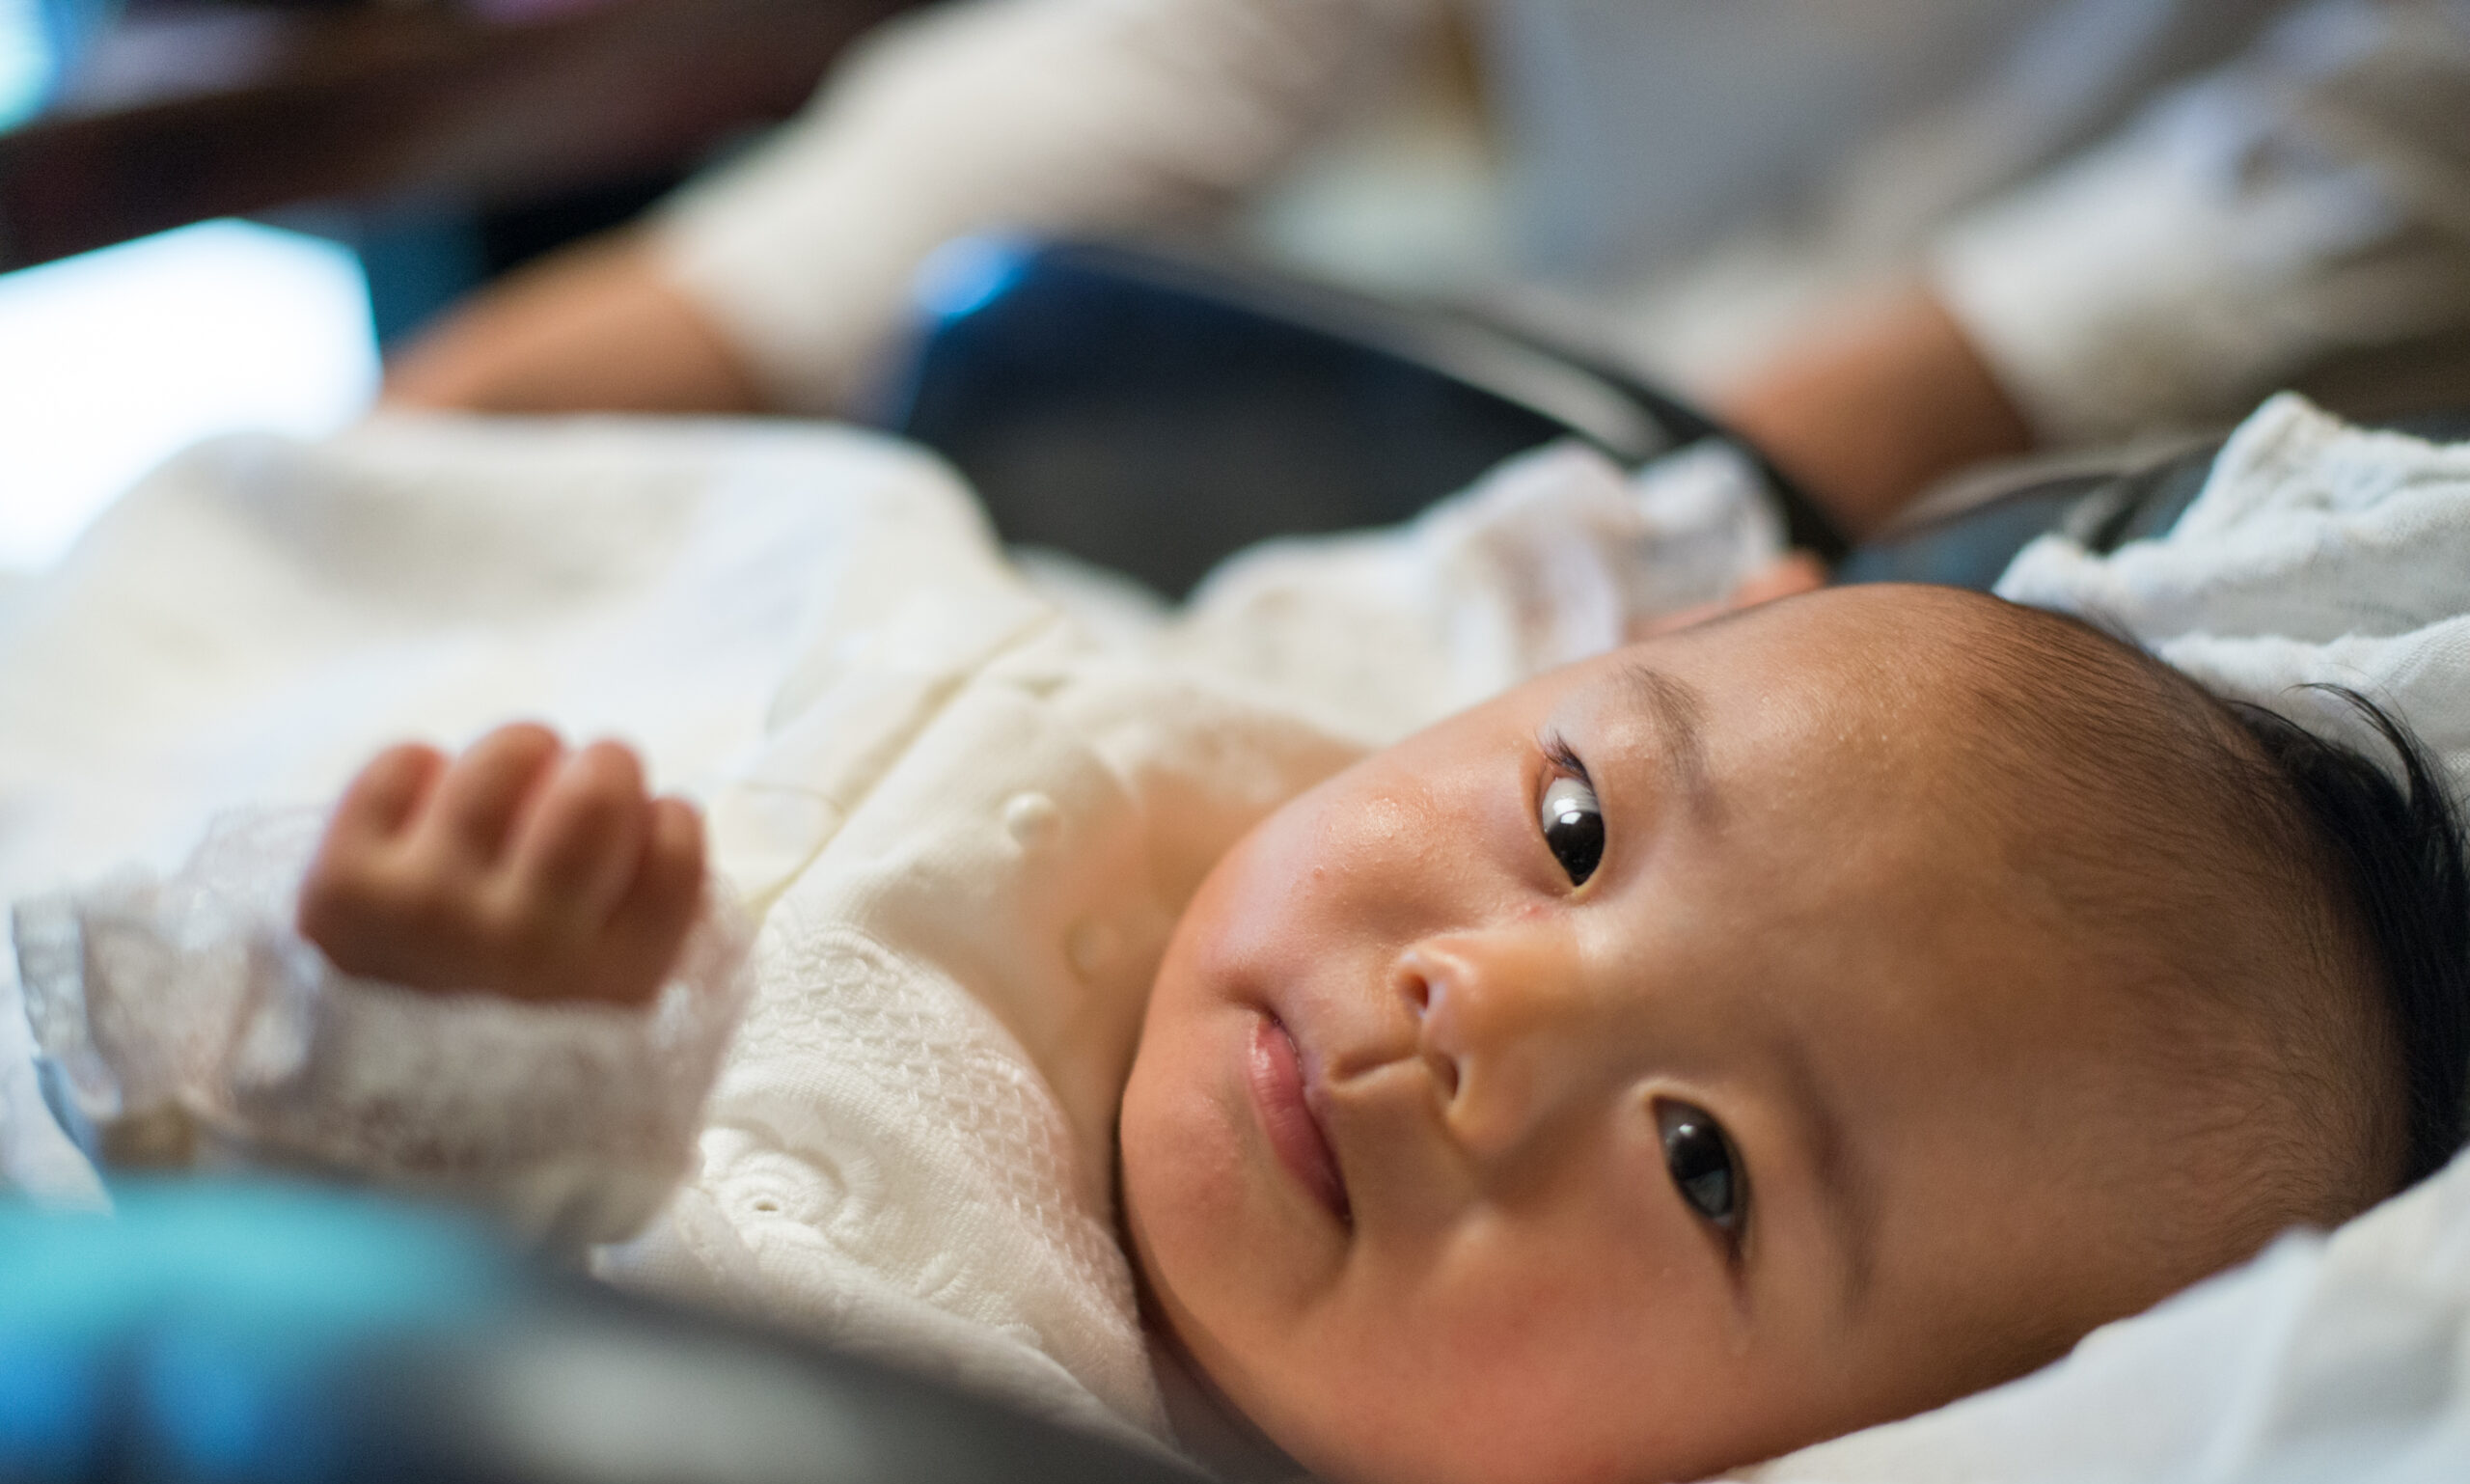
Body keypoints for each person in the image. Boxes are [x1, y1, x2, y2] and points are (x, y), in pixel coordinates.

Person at [59, 557, 2462, 1484]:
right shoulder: (1325, 685)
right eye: (1570, 823)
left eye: (1709, 1167)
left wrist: (449, 1063)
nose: (1483, 1012)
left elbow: (399, 1466)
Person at [379, 0, 2470, 536]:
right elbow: (1192, 41)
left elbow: (2329, 182)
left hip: (2187, 517)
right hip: (1606, 427)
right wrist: (454, 422)